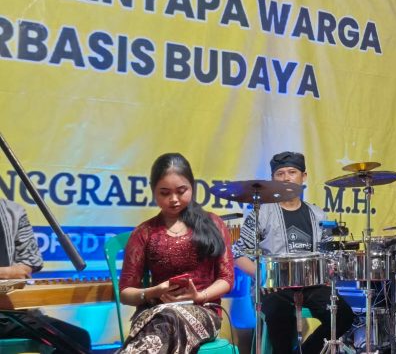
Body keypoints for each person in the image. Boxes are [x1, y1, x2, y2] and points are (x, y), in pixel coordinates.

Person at [232, 151, 354, 354]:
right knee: (279, 314)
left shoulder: (317, 214)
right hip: (275, 286)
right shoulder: (261, 213)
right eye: (280, 174)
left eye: (292, 172)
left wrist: (328, 271)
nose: (286, 178)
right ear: (273, 179)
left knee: (343, 315)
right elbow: (238, 253)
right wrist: (263, 276)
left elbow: (327, 253)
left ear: (303, 176)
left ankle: (306, 350)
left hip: (311, 284)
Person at [117, 153, 234, 354]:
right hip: (155, 312)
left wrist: (199, 296)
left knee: (168, 319)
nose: (174, 200)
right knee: (165, 318)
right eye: (164, 193)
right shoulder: (145, 232)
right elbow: (126, 293)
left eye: (181, 191)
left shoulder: (213, 224)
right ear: (154, 191)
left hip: (203, 310)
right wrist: (155, 291)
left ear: (192, 187)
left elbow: (226, 279)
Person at [0, 199, 92, 352]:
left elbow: (28, 263)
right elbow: (18, 271)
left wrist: (12, 272)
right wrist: (11, 271)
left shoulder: (13, 211)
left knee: (78, 338)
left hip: (10, 313)